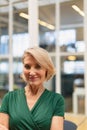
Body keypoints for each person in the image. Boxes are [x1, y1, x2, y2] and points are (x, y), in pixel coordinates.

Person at [0, 46, 65, 130]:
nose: (32, 72)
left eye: (38, 66)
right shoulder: (9, 98)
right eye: (27, 66)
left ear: (47, 70)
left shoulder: (56, 100)